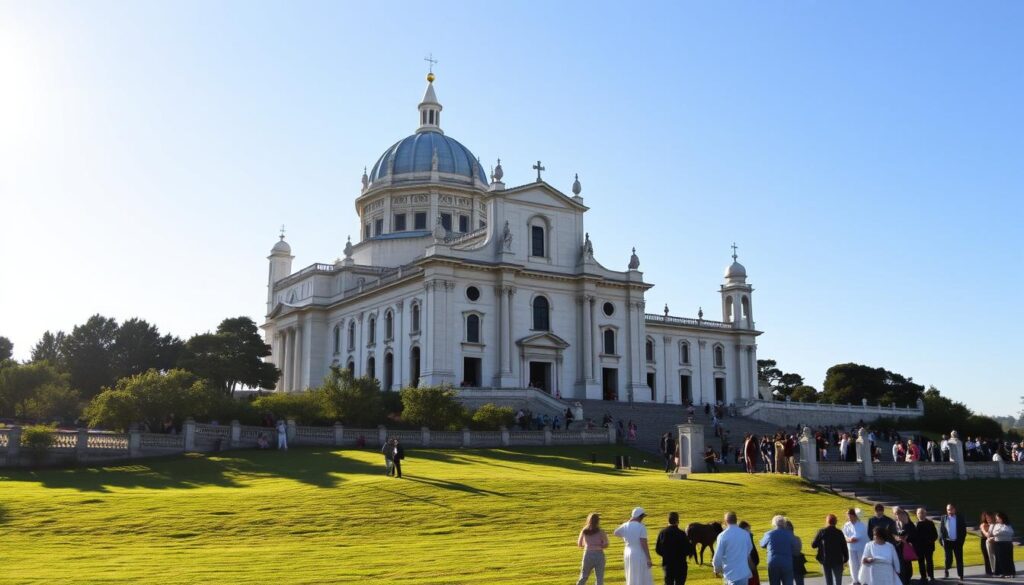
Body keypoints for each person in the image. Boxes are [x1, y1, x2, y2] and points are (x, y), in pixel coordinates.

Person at [613, 507, 654, 585]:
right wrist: (648, 558)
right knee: (641, 574)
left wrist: (626, 532)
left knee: (630, 573)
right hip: (638, 552)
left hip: (627, 551)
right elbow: (643, 543)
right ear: (640, 516)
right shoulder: (641, 527)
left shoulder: (625, 525)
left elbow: (616, 532)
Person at [712, 511, 753, 585]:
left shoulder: (722, 536)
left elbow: (718, 556)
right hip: (743, 572)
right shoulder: (745, 534)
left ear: (725, 521)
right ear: (736, 520)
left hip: (730, 573)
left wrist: (716, 569)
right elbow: (749, 548)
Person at [655, 512, 692, 585]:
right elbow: (688, 550)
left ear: (668, 520)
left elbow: (658, 549)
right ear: (678, 521)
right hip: (680, 564)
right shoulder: (682, 533)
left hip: (668, 564)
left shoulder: (662, 533)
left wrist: (665, 555)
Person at [811, 514, 849, 585]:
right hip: (838, 560)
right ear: (835, 522)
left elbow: (813, 545)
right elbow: (844, 546)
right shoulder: (839, 532)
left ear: (827, 522)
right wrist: (846, 559)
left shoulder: (822, 532)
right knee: (838, 581)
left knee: (829, 581)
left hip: (826, 560)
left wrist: (821, 544)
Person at [760, 515, 796, 585]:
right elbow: (794, 546)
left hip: (773, 563)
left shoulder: (769, 534)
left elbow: (762, 544)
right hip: (786, 563)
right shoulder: (789, 534)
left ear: (774, 524)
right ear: (784, 523)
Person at [576, 512, 609, 585]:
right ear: (598, 521)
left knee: (583, 576)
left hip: (588, 554)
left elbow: (579, 544)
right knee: (599, 578)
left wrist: (588, 544)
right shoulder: (601, 531)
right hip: (599, 554)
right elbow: (606, 544)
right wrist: (600, 545)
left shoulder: (584, 531)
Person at [938, 503, 965, 582]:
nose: (949, 511)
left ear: (954, 509)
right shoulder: (943, 518)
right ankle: (946, 569)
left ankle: (961, 575)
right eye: (948, 509)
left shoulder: (960, 518)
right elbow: (941, 530)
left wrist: (961, 541)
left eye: (951, 509)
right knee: (948, 559)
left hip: (957, 542)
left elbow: (963, 531)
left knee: (959, 559)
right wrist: (941, 540)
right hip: (947, 542)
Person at [892, 508, 916, 585]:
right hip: (897, 548)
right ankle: (903, 581)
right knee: (900, 566)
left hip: (907, 549)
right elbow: (890, 534)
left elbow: (914, 535)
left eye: (899, 513)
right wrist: (896, 538)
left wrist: (906, 539)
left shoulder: (909, 524)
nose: (898, 515)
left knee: (907, 566)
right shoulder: (894, 524)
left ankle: (907, 579)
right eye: (896, 514)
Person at [844, 508, 868, 585]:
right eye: (848, 516)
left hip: (861, 548)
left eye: (851, 516)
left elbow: (858, 536)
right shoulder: (847, 525)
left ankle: (863, 580)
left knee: (861, 564)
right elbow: (844, 535)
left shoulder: (861, 524)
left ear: (855, 516)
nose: (849, 518)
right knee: (852, 564)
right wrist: (848, 540)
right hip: (850, 548)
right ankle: (855, 580)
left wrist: (851, 539)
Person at [913, 508, 937, 584]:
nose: (921, 514)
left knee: (929, 562)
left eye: (922, 513)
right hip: (919, 548)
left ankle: (931, 576)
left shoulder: (930, 523)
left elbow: (935, 535)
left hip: (929, 547)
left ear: (925, 514)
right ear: (916, 514)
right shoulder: (915, 525)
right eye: (919, 513)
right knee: (921, 563)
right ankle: (923, 577)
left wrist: (930, 541)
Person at [989, 512, 1015, 578]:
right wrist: (1001, 532)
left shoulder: (1008, 525)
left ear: (1002, 518)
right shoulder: (996, 525)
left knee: (1008, 558)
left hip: (1007, 543)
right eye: (996, 518)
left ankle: (1010, 572)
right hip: (998, 544)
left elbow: (1010, 532)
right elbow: (994, 533)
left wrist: (1000, 532)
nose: (997, 520)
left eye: (998, 518)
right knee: (1000, 559)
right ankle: (1002, 573)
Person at [738, 521, 760, 585]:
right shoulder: (748, 537)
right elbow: (753, 553)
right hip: (750, 567)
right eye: (747, 529)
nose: (749, 531)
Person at [785, 520, 806, 585]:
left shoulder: (786, 540)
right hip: (798, 563)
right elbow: (798, 550)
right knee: (800, 582)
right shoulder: (797, 539)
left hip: (790, 563)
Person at [978, 511, 994, 576]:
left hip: (992, 541)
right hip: (984, 541)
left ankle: (994, 569)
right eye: (987, 517)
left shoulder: (992, 524)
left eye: (990, 517)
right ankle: (988, 571)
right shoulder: (983, 525)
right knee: (986, 556)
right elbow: (986, 534)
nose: (988, 519)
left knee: (993, 556)